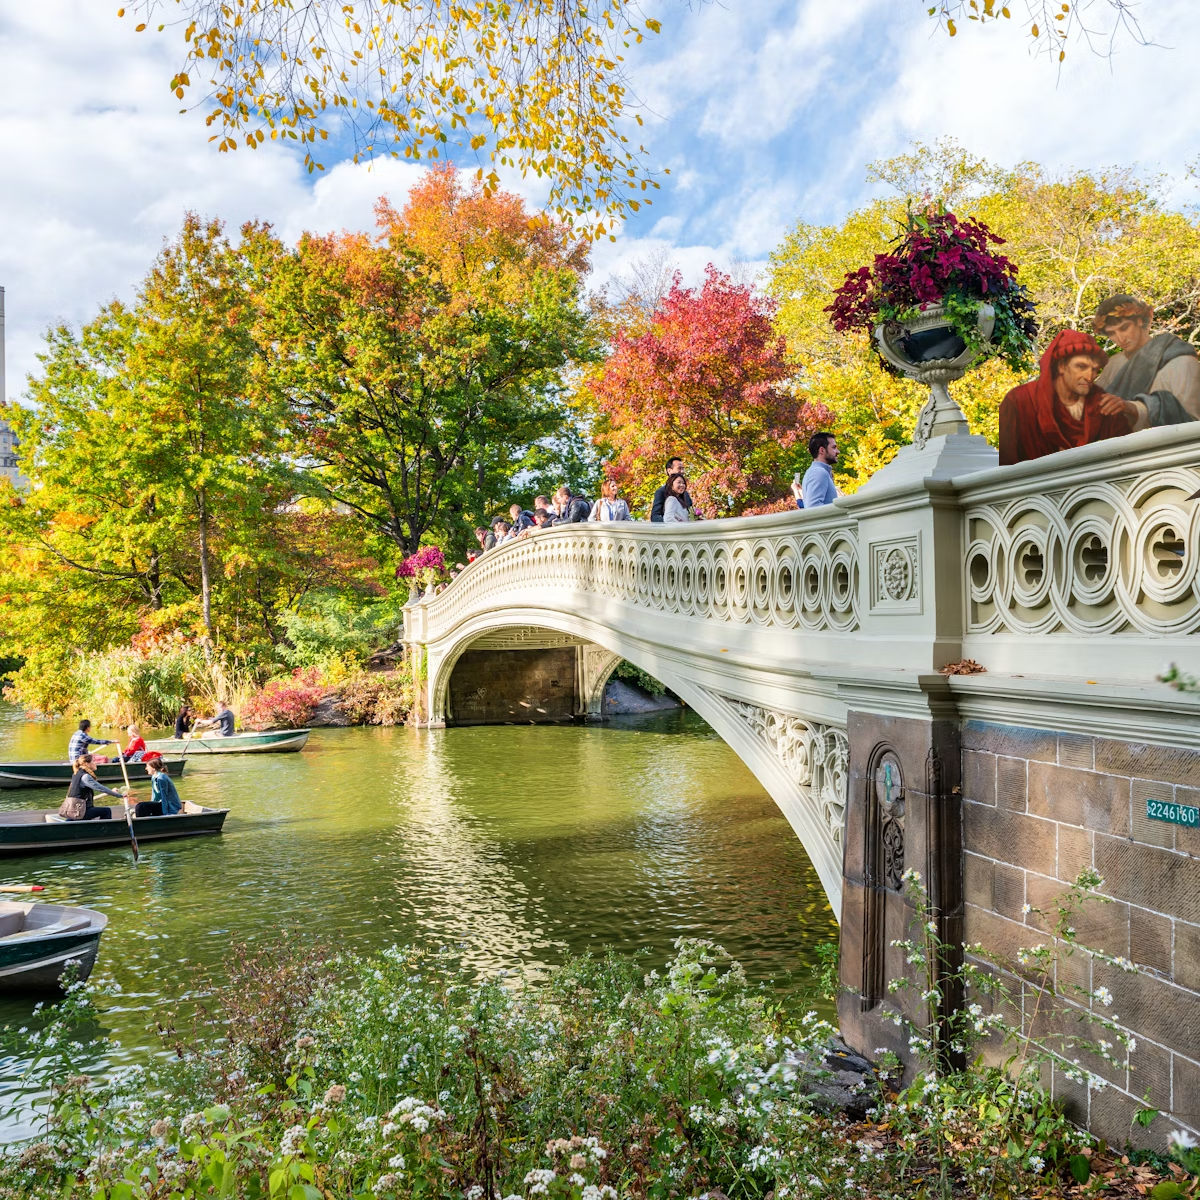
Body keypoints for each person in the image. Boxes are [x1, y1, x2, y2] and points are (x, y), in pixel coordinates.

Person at [998, 329, 1132, 466]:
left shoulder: (1103, 404)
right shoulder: (1019, 400)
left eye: (1094, 369)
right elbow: (1008, 463)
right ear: (1061, 366)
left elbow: (1127, 454)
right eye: (1081, 366)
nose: (1089, 376)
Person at [1092, 295, 1200, 429]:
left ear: (1139, 321)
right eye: (1111, 333)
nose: (1120, 339)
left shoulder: (1181, 361)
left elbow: (1192, 422)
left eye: (1124, 327)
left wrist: (1134, 409)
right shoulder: (1114, 363)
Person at [59, 753, 129, 822]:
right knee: (106, 811)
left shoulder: (76, 773)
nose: (96, 763)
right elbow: (100, 788)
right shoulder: (85, 777)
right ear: (87, 764)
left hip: (73, 809)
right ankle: (103, 832)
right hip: (79, 811)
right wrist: (120, 795)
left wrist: (112, 791)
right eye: (93, 761)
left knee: (93, 809)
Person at [801, 433, 840, 508]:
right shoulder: (819, 472)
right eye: (834, 447)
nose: (838, 452)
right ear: (822, 450)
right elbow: (813, 507)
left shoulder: (816, 471)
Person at [650, 457, 692, 522]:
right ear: (669, 471)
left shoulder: (685, 494)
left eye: (683, 469)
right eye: (679, 468)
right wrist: (674, 524)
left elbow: (690, 513)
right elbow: (655, 516)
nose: (682, 471)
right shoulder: (661, 492)